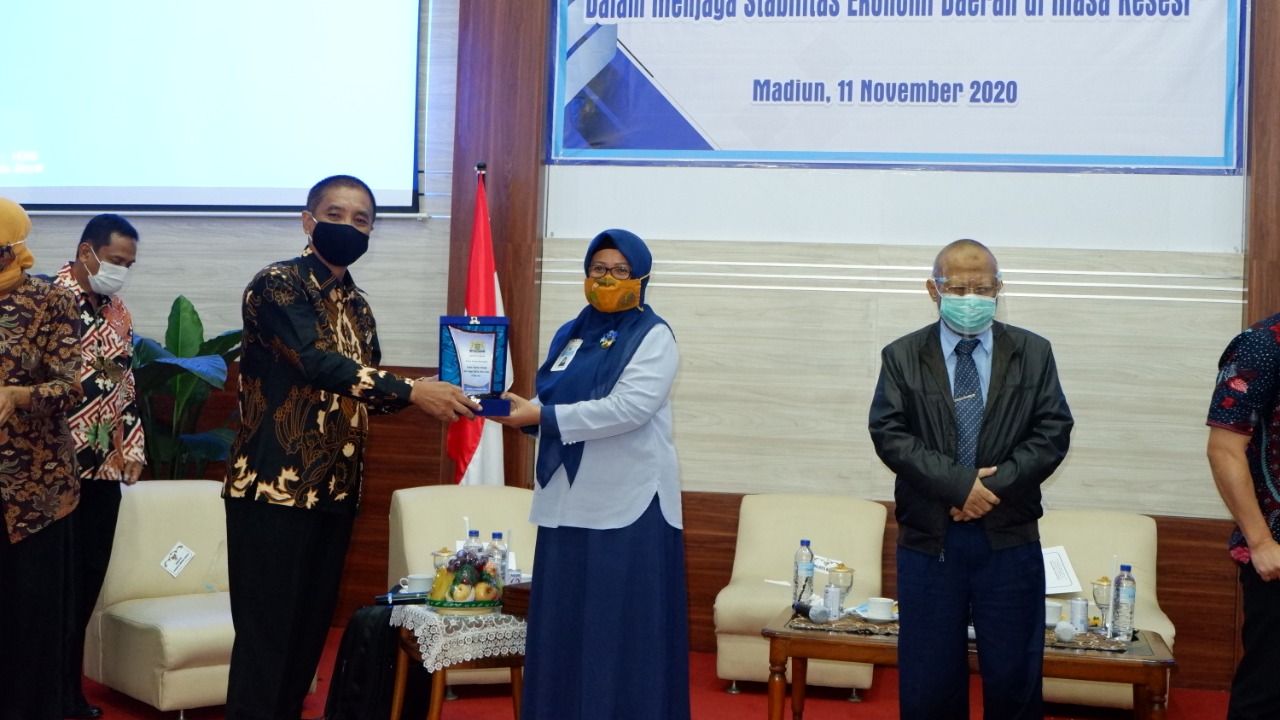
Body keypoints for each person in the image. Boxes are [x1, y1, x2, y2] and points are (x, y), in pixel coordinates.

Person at [222, 174, 479, 720]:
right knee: (267, 637)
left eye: (361, 220)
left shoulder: (357, 306)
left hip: (334, 492)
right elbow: (315, 362)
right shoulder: (278, 284)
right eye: (335, 214)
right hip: (274, 489)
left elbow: (365, 391)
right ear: (308, 220)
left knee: (308, 634)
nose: (348, 226)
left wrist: (436, 390)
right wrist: (413, 391)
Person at [868, 238, 1073, 720]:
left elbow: (1052, 431)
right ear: (933, 289)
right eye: (958, 288)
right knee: (929, 678)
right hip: (929, 537)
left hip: (1008, 536)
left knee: (1015, 675)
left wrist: (987, 491)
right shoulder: (902, 354)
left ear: (999, 288)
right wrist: (959, 487)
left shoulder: (1032, 351)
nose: (970, 298)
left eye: (981, 288)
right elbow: (890, 434)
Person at [493, 228, 691, 720]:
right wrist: (518, 410)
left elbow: (630, 409)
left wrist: (542, 417)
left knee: (618, 632)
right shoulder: (571, 333)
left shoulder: (654, 336)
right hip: (566, 502)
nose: (607, 279)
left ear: (641, 278)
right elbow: (552, 399)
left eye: (621, 271)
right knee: (564, 627)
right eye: (598, 269)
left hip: (627, 504)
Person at [52, 213, 144, 720]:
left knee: (87, 580)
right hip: (51, 468)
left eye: (129, 264)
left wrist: (133, 448)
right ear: (86, 251)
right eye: (115, 260)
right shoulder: (46, 299)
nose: (121, 271)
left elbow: (125, 386)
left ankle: (68, 693)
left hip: (103, 467)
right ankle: (39, 694)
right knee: (51, 587)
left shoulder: (118, 312)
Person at [0, 197, 85, 720]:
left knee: (29, 617)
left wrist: (19, 395)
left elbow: (69, 386)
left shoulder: (50, 300)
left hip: (35, 490)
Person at [1206, 313, 1280, 720]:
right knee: (1268, 692)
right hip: (1277, 553)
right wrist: (1261, 542)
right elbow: (1224, 450)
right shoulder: (1263, 343)